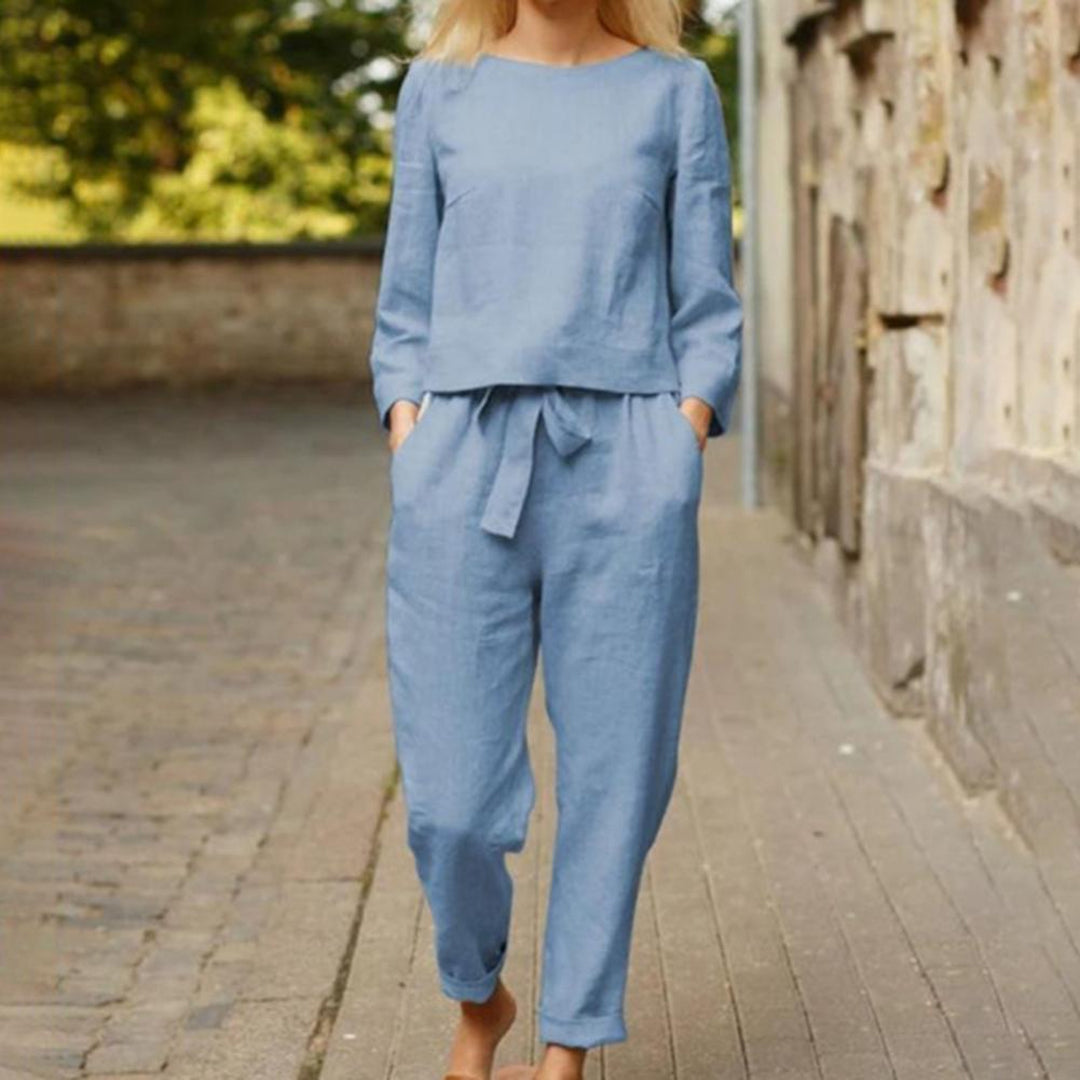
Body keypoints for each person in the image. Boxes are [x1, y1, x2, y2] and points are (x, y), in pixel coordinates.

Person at [367, 0, 742, 1075]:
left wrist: (684, 433)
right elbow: (406, 300)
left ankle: (571, 1043)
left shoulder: (676, 93)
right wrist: (409, 423)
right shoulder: (441, 89)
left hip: (627, 462)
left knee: (617, 779)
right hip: (463, 459)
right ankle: (478, 995)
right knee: (449, 802)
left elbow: (706, 297)